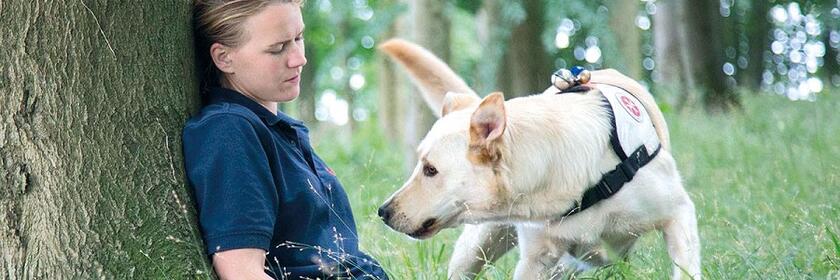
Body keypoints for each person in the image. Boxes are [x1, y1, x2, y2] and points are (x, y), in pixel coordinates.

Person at [184, 1, 388, 279]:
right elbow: (242, 273)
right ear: (224, 58)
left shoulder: (280, 130)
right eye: (277, 48)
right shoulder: (229, 131)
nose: (298, 59)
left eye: (299, 38)